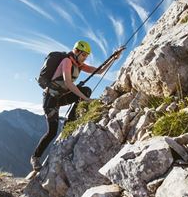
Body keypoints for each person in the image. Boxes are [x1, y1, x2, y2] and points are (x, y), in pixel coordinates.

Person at [30, 41, 122, 171]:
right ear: (76, 51)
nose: (85, 57)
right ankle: (35, 157)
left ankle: (70, 122)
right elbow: (68, 83)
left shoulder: (79, 65)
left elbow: (99, 71)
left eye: (86, 55)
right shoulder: (67, 61)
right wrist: (86, 100)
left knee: (86, 90)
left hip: (60, 97)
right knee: (52, 132)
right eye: (84, 55)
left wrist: (113, 58)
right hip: (50, 99)